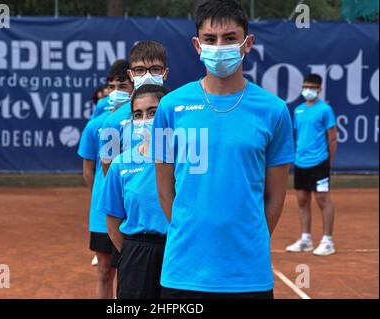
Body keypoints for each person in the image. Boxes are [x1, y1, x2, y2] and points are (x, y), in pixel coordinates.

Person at [152, 0, 294, 299]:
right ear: (197, 44)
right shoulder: (169, 107)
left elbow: (275, 197)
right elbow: (165, 189)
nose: (220, 46)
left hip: (248, 276)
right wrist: (190, 231)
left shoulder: (274, 110)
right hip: (183, 273)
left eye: (230, 38)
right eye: (210, 39)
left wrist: (248, 242)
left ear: (247, 43)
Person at [98, 85, 170, 299]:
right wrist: (133, 254)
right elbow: (112, 223)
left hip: (177, 252)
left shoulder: (187, 161)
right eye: (138, 114)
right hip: (136, 254)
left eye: (153, 112)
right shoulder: (121, 163)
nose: (145, 119)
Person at [77, 59, 131, 298]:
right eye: (112, 86)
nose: (116, 91)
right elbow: (89, 172)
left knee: (130, 273)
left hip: (133, 209)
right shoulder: (96, 126)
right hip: (103, 213)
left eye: (123, 85)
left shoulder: (144, 122)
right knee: (104, 271)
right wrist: (104, 196)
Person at [99, 41, 169, 176]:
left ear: (164, 73)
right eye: (140, 70)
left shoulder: (178, 112)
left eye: (155, 69)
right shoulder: (113, 121)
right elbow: (111, 173)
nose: (147, 76)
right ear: (131, 75)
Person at [286, 74, 338, 256]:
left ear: (319, 89)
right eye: (305, 86)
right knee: (302, 200)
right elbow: (298, 136)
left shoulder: (325, 110)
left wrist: (327, 162)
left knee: (323, 200)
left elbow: (332, 137)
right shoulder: (298, 111)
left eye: (311, 87)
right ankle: (306, 239)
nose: (307, 90)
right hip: (301, 162)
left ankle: (327, 241)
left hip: (319, 163)